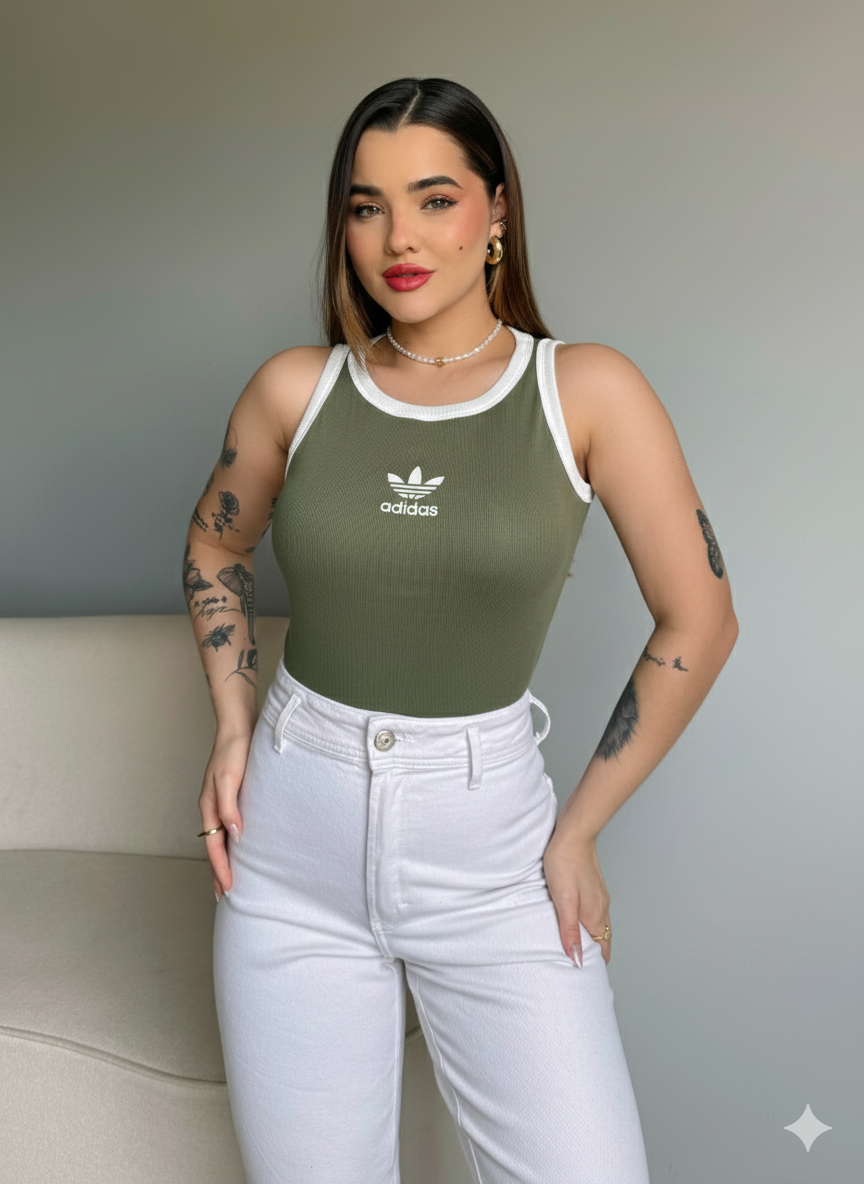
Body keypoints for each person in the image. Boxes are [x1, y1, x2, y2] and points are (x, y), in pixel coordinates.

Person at [184, 76, 738, 1184]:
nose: (399, 238)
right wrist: (234, 725)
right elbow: (215, 547)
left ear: (496, 212)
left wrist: (578, 830)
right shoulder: (295, 390)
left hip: (491, 854)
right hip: (291, 851)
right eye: (367, 206)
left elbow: (702, 617)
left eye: (435, 199)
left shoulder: (585, 390)